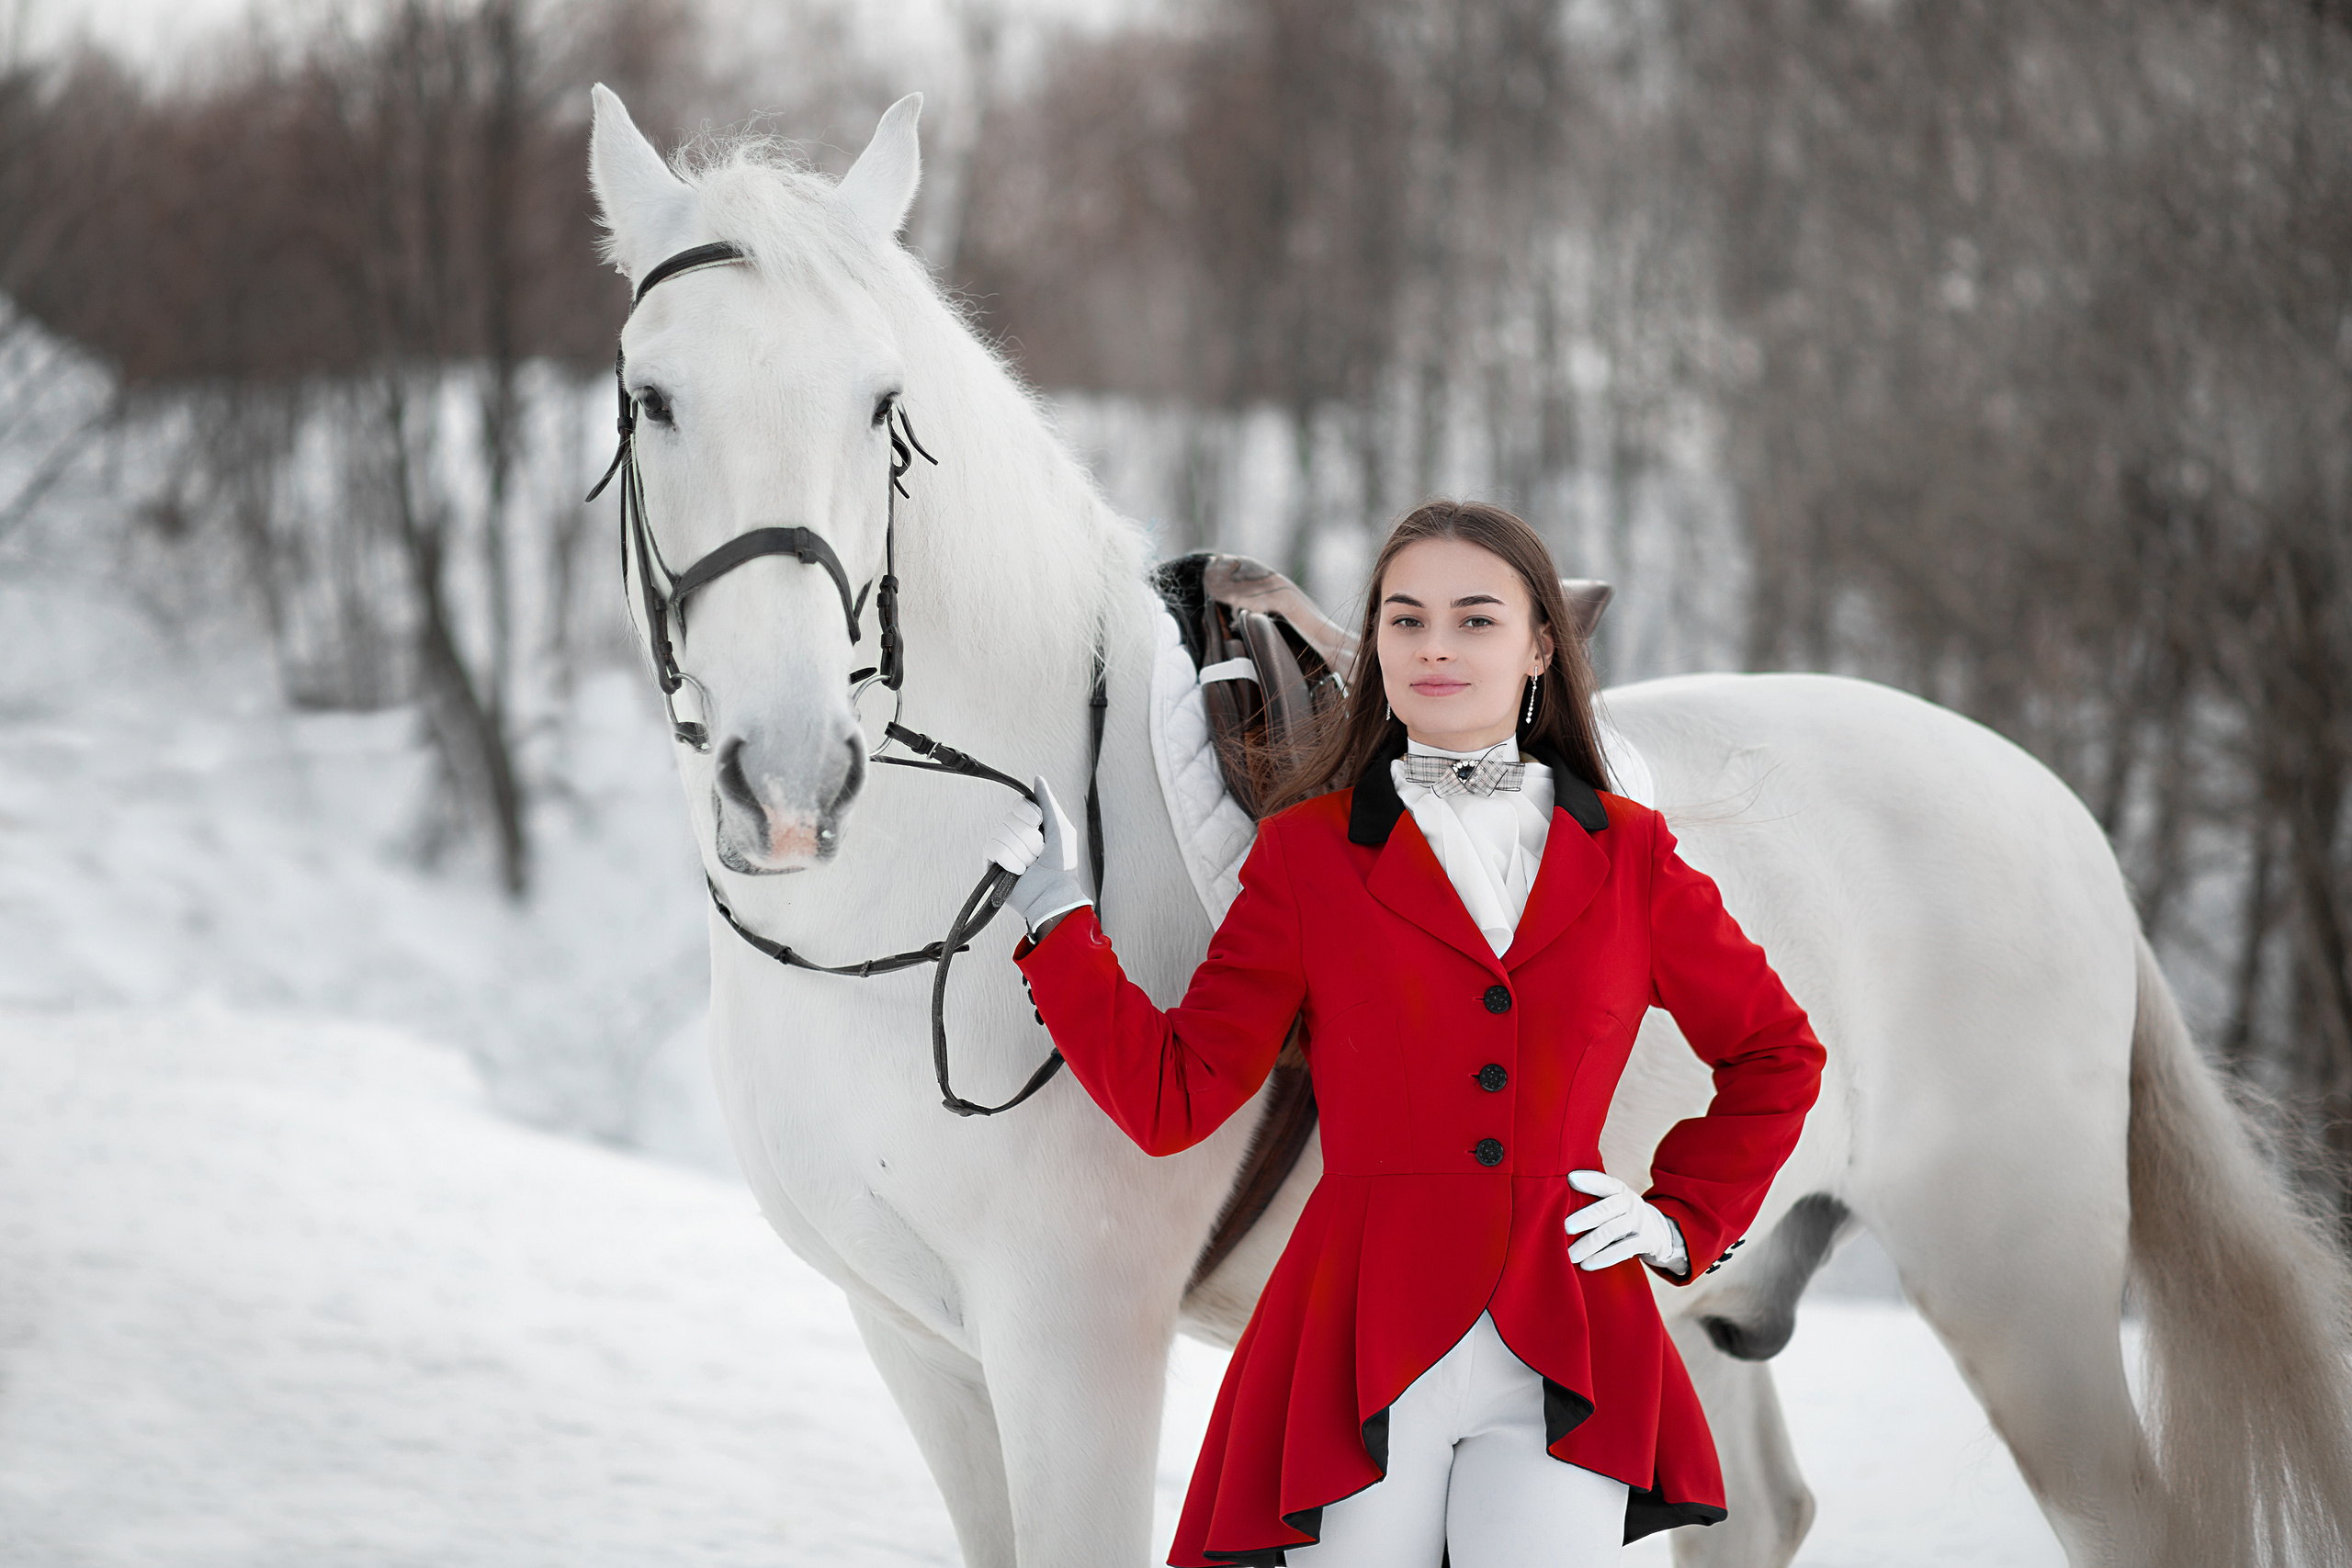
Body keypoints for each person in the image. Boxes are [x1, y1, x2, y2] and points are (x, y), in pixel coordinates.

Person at [987, 500, 1826, 1567]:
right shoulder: (1306, 858)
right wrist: (1058, 920)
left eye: (1475, 621)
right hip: (1353, 1339)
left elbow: (1776, 1056)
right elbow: (1174, 1098)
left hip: (1568, 1334)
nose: (1434, 647)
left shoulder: (1630, 856)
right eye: (1404, 619)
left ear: (1538, 648)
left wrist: (1680, 1220)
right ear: (1375, 645)